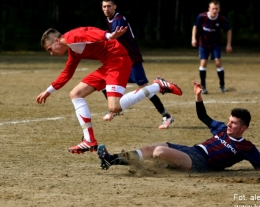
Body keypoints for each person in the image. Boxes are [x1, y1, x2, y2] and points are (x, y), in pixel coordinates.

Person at [36, 26, 183, 155]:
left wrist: (108, 36)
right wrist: (48, 91)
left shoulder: (71, 37)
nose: (51, 53)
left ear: (56, 41)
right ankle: (89, 140)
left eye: (50, 49)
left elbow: (89, 32)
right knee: (75, 94)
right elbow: (67, 73)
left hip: (118, 60)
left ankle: (158, 85)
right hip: (108, 65)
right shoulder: (73, 51)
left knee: (114, 107)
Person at [97, 81, 260, 172]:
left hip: (201, 163)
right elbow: (203, 116)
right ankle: (112, 160)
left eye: (234, 123)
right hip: (193, 150)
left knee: (159, 152)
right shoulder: (221, 129)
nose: (229, 124)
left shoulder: (246, 147)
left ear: (243, 128)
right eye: (230, 121)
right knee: (151, 148)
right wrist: (198, 96)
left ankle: (166, 165)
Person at [100, 0, 174, 129]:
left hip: (132, 59)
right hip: (121, 60)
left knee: (144, 88)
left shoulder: (119, 20)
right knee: (105, 81)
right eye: (104, 6)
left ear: (115, 6)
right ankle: (116, 109)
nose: (106, 9)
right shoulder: (109, 19)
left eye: (109, 6)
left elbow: (113, 40)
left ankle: (166, 116)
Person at [191, 0, 232, 94]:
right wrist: (193, 38)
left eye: (216, 9)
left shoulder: (222, 19)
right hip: (203, 44)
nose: (214, 10)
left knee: (218, 62)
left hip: (215, 44)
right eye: (213, 8)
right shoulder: (202, 16)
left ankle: (222, 85)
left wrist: (228, 44)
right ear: (209, 8)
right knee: (203, 63)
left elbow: (228, 30)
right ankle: (203, 86)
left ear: (219, 9)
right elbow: (195, 27)